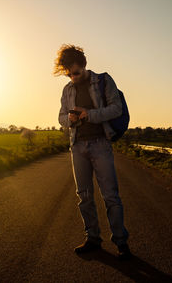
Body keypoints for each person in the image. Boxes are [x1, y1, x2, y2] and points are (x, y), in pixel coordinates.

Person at [54, 44, 132, 260]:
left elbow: (116, 108)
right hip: (77, 146)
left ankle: (121, 242)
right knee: (84, 196)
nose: (72, 77)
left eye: (76, 72)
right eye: (68, 74)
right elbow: (60, 117)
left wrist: (89, 114)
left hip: (100, 144)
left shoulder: (103, 80)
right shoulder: (67, 90)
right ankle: (93, 239)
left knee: (111, 196)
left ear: (84, 65)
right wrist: (68, 121)